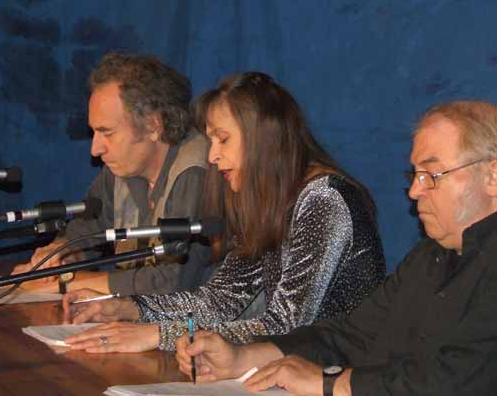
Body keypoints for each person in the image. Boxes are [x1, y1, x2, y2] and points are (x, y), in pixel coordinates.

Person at [176, 100, 497, 396]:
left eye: (431, 175)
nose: (414, 191)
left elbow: (455, 379)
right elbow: (350, 335)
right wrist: (241, 358)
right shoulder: (427, 258)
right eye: (415, 175)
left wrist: (329, 382)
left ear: (492, 176)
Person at [61, 72, 385, 353]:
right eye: (211, 141)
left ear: (263, 139)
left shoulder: (323, 199)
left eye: (223, 140)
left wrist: (161, 334)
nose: (212, 156)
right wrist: (131, 308)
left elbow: (286, 326)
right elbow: (221, 300)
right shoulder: (266, 201)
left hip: (343, 375)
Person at [12, 52, 215, 295]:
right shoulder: (122, 168)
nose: (95, 149)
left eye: (107, 133)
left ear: (153, 126)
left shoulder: (195, 172)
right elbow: (87, 229)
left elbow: (172, 281)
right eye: (94, 133)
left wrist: (65, 283)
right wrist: (62, 254)